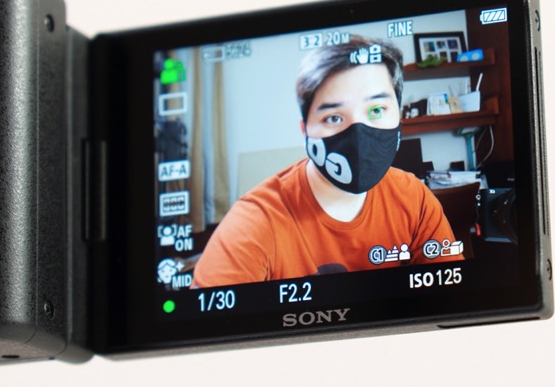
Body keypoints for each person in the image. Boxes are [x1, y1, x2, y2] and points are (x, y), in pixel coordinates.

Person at [192, 36, 462, 288]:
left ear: (398, 116)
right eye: (333, 117)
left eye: (376, 110)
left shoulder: (414, 198)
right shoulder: (255, 221)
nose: (359, 134)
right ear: (305, 130)